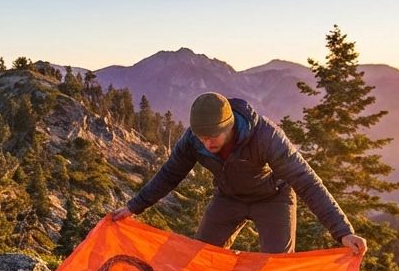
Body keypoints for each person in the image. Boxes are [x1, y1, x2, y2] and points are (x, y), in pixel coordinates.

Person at [110, 92, 368, 255]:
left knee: (276, 267)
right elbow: (169, 175)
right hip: (229, 198)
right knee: (202, 256)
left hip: (273, 199)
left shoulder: (266, 137)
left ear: (230, 126)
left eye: (214, 137)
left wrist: (342, 231)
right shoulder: (193, 140)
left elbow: (307, 181)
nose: (207, 143)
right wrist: (134, 207)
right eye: (202, 137)